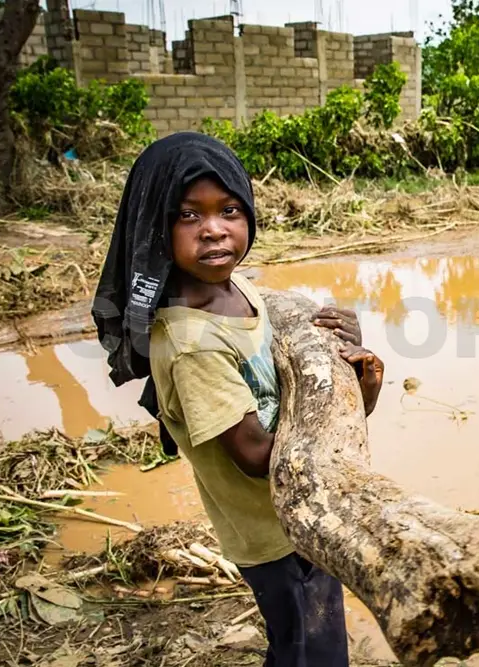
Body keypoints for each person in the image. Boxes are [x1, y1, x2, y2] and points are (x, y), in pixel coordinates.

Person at [91, 132, 385, 667]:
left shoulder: (237, 288)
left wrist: (358, 375)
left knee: (316, 639)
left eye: (229, 209)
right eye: (188, 215)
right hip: (273, 534)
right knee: (307, 649)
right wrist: (335, 441)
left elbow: (285, 377)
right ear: (157, 227)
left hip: (302, 516)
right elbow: (253, 457)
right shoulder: (191, 346)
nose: (214, 229)